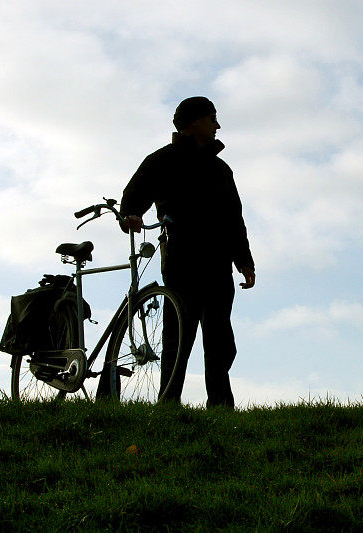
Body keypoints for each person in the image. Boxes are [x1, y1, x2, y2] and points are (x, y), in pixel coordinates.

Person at [117, 96, 255, 408]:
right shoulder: (162, 160)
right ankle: (168, 403)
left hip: (219, 264)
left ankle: (220, 407)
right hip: (182, 260)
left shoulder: (222, 170)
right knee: (178, 337)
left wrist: (244, 261)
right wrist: (132, 215)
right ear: (194, 123)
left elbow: (234, 218)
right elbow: (134, 194)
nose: (218, 126)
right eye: (212, 119)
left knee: (220, 342)